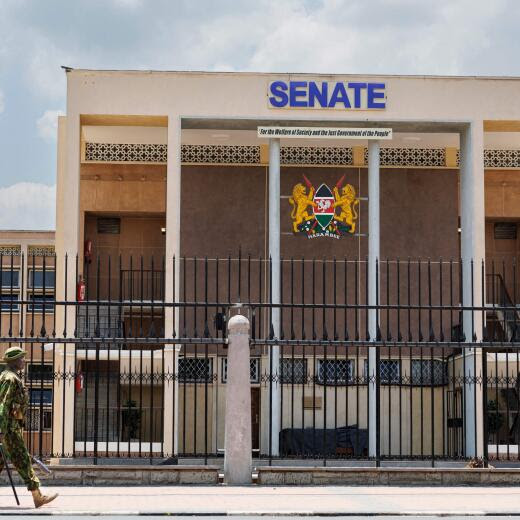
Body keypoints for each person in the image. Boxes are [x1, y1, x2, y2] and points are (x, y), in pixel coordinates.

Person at [0, 346, 58, 508]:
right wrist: (2, 430)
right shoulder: (10, 379)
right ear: (14, 361)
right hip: (8, 430)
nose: (24, 360)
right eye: (21, 358)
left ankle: (37, 496)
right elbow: (3, 405)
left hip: (10, 428)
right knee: (23, 461)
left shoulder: (10, 377)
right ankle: (38, 496)